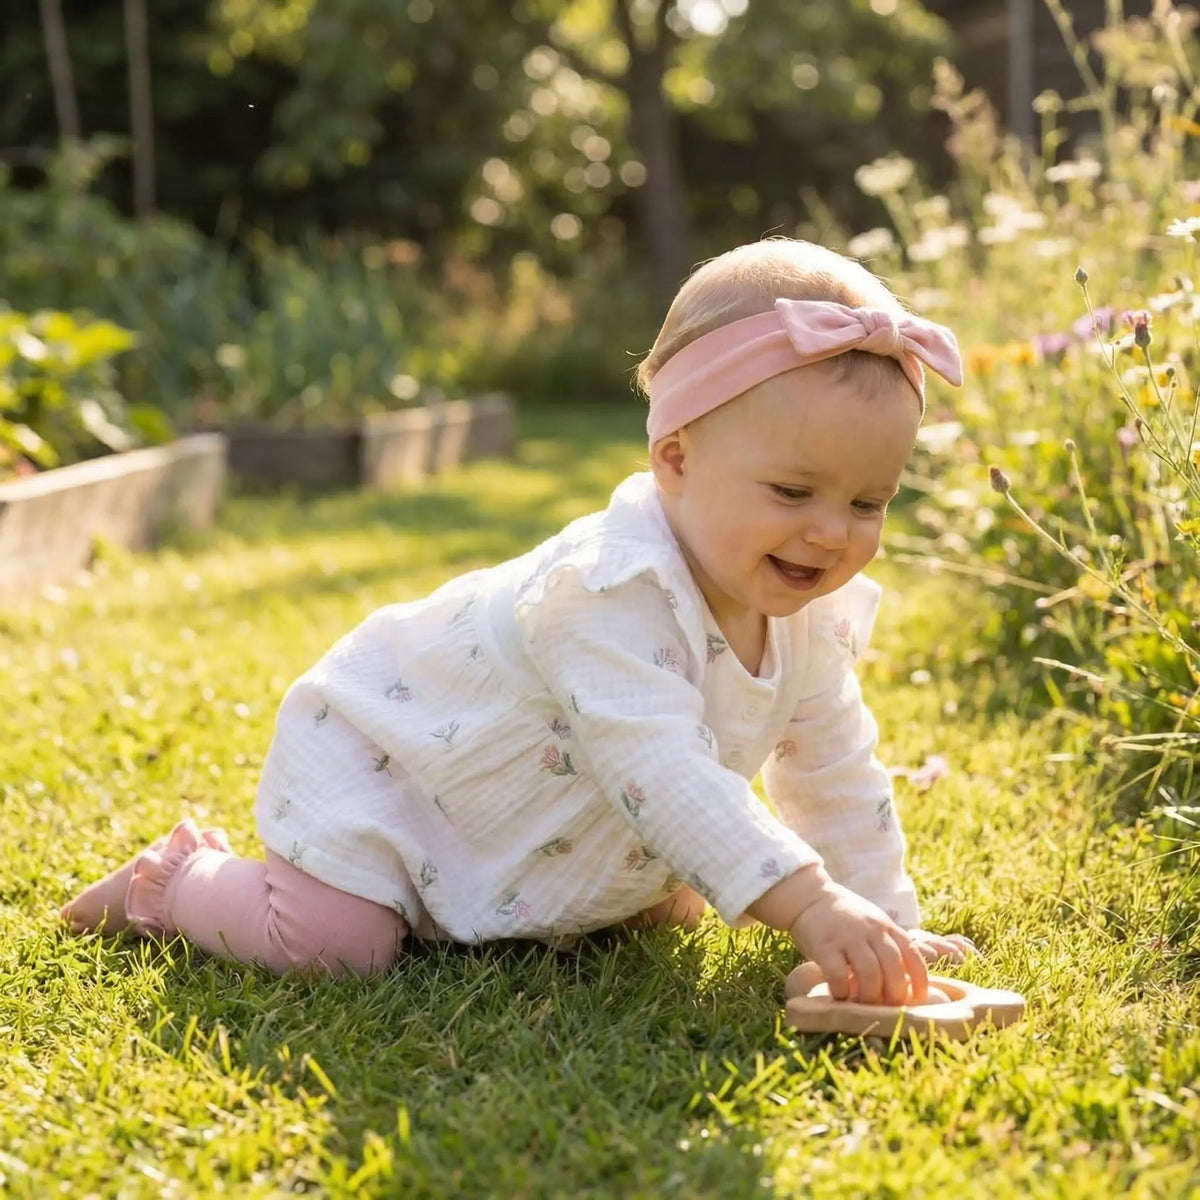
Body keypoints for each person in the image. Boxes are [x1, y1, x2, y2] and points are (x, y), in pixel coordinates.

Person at [62, 238, 974, 1006]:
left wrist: (883, 922)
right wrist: (809, 902)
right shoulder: (604, 593)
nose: (832, 532)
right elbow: (661, 768)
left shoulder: (805, 610)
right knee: (336, 949)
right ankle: (177, 880)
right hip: (394, 770)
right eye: (793, 491)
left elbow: (834, 767)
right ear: (676, 459)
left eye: (869, 502)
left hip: (525, 813)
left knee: (671, 900)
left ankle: (536, 894)